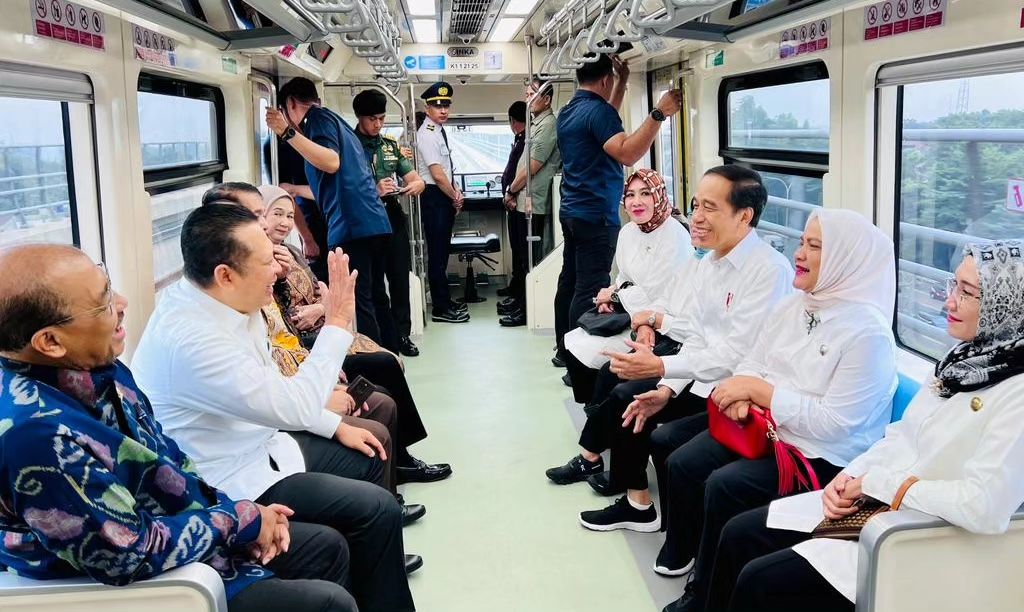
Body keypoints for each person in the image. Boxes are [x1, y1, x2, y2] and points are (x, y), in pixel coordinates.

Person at [0, 244, 364, 612]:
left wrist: (237, 514)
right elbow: (126, 553)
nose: (122, 304)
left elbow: (171, 462)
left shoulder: (103, 372)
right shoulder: (37, 436)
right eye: (104, 304)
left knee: (326, 547)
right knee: (329, 603)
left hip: (185, 537)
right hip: (139, 589)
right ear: (50, 342)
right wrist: (239, 521)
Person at [702, 239, 1024, 612]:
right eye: (954, 285)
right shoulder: (963, 361)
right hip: (880, 503)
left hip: (925, 536)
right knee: (739, 535)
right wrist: (849, 477)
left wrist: (876, 484)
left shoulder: (1016, 392)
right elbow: (902, 436)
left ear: (1008, 304)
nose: (949, 302)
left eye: (966, 292)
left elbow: (982, 507)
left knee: (761, 581)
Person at [132, 205, 417, 611]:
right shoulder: (193, 342)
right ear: (225, 275)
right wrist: (336, 321)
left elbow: (275, 392)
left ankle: (375, 578)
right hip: (229, 479)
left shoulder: (229, 301)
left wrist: (334, 426)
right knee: (374, 510)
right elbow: (294, 405)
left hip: (261, 445)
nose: (278, 271)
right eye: (266, 263)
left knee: (370, 453)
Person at [657, 209, 898, 611]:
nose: (799, 253)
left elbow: (836, 423)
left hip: (820, 457)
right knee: (683, 460)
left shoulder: (868, 334)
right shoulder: (795, 306)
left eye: (814, 246)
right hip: (767, 431)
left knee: (725, 486)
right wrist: (743, 392)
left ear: (844, 260)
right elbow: (754, 360)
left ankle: (707, 596)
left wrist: (760, 392)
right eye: (802, 242)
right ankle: (697, 566)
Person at [546, 166, 793, 535]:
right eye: (696, 206)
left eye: (710, 208)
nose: (696, 218)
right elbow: (696, 333)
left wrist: (660, 366)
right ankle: (637, 501)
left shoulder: (769, 271)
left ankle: (614, 476)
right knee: (627, 393)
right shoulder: (710, 262)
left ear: (744, 216)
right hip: (696, 372)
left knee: (632, 397)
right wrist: (665, 384)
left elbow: (732, 355)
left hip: (733, 390)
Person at [259, 184, 453, 486]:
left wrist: (321, 308)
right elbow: (282, 321)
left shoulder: (293, 252)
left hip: (319, 328)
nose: (284, 222)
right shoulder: (261, 266)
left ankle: (399, 455)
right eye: (275, 215)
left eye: (288, 215)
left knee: (387, 362)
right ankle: (399, 460)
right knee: (382, 367)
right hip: (302, 342)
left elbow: (321, 292)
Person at [554, 53, 682, 381]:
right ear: (605, 80)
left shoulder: (570, 109)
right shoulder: (598, 113)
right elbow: (627, 152)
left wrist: (622, 81)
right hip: (595, 214)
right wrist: (658, 113)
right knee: (587, 288)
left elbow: (605, 119)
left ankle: (563, 351)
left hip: (572, 211)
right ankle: (577, 364)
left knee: (570, 282)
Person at [266, 76, 398, 351]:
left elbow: (331, 162)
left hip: (352, 227)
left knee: (359, 302)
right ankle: (390, 357)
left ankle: (374, 363)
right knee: (377, 297)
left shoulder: (317, 119)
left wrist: (286, 133)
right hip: (374, 223)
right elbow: (331, 184)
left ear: (291, 104)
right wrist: (295, 189)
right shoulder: (339, 124)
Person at [562, 168, 695, 397]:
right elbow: (624, 277)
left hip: (664, 322)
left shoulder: (675, 236)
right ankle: (591, 406)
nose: (636, 202)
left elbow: (658, 294)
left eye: (645, 193)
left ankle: (598, 408)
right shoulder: (628, 232)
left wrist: (616, 297)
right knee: (572, 344)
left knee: (602, 363)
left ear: (658, 196)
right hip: (631, 312)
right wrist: (612, 294)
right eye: (630, 195)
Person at [352, 89, 427, 358]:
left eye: (382, 119)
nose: (378, 124)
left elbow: (415, 178)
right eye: (372, 119)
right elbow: (344, 189)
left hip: (392, 216)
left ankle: (402, 335)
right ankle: (379, 339)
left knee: (399, 279)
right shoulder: (349, 147)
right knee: (372, 285)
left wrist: (416, 185)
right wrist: (375, 190)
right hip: (364, 220)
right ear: (360, 117)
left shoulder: (390, 146)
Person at [498, 80, 561, 327]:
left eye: (532, 94)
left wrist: (511, 190)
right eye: (526, 94)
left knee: (531, 261)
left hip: (534, 202)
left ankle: (527, 311)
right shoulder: (535, 124)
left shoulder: (548, 126)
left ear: (546, 99)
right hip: (524, 201)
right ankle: (522, 304)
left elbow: (532, 167)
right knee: (524, 259)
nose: (528, 99)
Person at [416, 81, 469, 324]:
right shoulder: (427, 134)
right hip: (434, 197)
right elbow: (437, 175)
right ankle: (440, 307)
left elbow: (447, 169)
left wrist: (456, 191)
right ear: (428, 108)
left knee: (442, 253)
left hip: (443, 195)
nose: (444, 110)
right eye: (438, 106)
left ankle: (445, 300)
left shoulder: (438, 131)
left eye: (446, 105)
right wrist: (454, 196)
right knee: (437, 255)